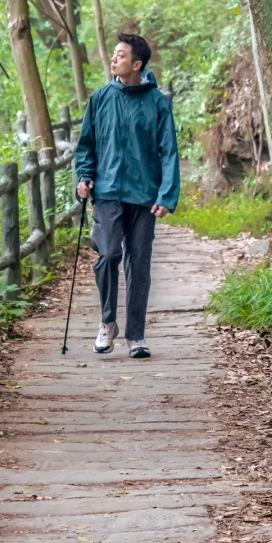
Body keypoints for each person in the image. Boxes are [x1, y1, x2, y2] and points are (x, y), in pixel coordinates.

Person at [74, 32, 180, 359]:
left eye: (120, 55)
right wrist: (84, 176)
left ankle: (136, 335)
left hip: (144, 195)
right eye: (114, 54)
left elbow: (169, 153)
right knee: (106, 256)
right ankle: (108, 322)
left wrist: (166, 194)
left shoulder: (158, 103)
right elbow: (86, 146)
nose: (113, 59)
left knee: (139, 266)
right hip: (106, 192)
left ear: (137, 64)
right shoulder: (100, 98)